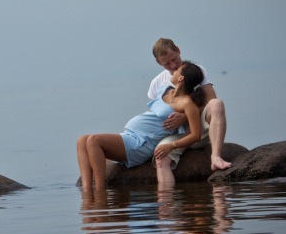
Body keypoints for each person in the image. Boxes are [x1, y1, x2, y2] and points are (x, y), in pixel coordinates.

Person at [77, 61, 207, 188]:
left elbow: (195, 135)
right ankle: (87, 189)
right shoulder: (165, 90)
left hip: (142, 143)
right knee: (82, 140)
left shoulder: (187, 104)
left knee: (94, 140)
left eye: (177, 69)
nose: (173, 70)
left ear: (181, 77)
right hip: (130, 135)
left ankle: (100, 190)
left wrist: (171, 146)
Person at [148, 38, 231, 178]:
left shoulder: (195, 70)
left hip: (199, 129)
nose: (173, 65)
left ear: (178, 50)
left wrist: (185, 116)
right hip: (177, 135)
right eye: (166, 64)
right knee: (160, 157)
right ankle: (166, 199)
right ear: (158, 63)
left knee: (217, 104)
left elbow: (211, 99)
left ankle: (215, 157)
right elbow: (156, 116)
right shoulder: (157, 83)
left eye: (174, 59)